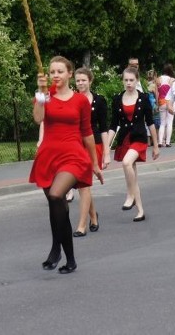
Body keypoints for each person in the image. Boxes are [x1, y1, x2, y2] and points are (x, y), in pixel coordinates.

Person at [29, 56, 104, 274]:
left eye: (60, 71)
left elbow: (87, 133)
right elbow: (37, 118)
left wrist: (95, 164)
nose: (56, 76)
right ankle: (68, 257)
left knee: (55, 195)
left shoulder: (80, 100)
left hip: (73, 155)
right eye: (52, 72)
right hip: (48, 156)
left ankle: (56, 248)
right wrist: (41, 93)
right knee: (58, 205)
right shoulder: (45, 95)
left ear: (70, 73)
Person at [109, 66, 160, 221]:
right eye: (126, 80)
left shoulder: (144, 98)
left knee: (126, 163)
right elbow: (113, 126)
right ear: (122, 81)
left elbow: (150, 123)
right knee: (133, 175)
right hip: (124, 139)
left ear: (137, 80)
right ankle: (140, 211)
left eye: (131, 80)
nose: (129, 83)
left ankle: (130, 194)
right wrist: (106, 147)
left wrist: (156, 145)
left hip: (138, 138)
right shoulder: (117, 99)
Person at [71, 68, 108, 237]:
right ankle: (92, 216)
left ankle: (83, 223)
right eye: (78, 81)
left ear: (90, 81)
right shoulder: (71, 99)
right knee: (82, 184)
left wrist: (107, 152)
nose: (80, 83)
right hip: (76, 145)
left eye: (83, 80)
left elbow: (104, 128)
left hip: (94, 144)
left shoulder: (99, 101)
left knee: (84, 184)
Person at [157, 64, 175, 147]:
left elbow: (156, 92)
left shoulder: (158, 79)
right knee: (169, 122)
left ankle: (160, 142)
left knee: (162, 123)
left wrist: (157, 104)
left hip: (161, 101)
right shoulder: (172, 80)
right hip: (170, 102)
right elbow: (174, 93)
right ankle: (168, 142)